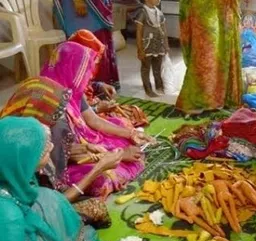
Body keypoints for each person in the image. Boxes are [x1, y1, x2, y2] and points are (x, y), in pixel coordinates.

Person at [0, 77, 124, 228]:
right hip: (24, 219)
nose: (51, 146)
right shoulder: (23, 150)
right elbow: (52, 203)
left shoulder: (19, 133)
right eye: (56, 116)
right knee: (94, 207)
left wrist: (85, 148)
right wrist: (98, 169)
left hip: (29, 203)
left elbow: (56, 150)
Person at [40, 42, 151, 198]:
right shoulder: (53, 109)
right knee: (104, 179)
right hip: (56, 164)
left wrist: (130, 133)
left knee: (123, 133)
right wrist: (114, 155)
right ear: (71, 68)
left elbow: (94, 121)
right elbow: (58, 156)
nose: (88, 77)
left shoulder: (67, 86)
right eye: (84, 71)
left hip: (75, 146)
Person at [69, 29, 149, 128]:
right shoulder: (65, 78)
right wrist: (96, 109)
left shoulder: (78, 68)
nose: (94, 62)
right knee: (120, 123)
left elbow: (86, 85)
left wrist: (100, 86)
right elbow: (70, 112)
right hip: (81, 118)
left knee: (135, 112)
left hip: (90, 106)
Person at [176, 0, 243, 114]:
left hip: (224, 8)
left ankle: (221, 98)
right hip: (202, 8)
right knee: (205, 52)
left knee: (221, 50)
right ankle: (201, 99)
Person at [53, 0, 120, 89]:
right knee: (85, 43)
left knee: (98, 43)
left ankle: (98, 89)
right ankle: (90, 90)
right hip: (84, 8)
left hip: (96, 6)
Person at [135, 0, 169, 97]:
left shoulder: (159, 13)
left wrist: (166, 45)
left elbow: (164, 30)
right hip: (147, 46)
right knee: (146, 68)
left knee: (157, 68)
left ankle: (159, 86)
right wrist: (140, 49)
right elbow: (139, 32)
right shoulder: (142, 13)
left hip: (159, 45)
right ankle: (148, 89)